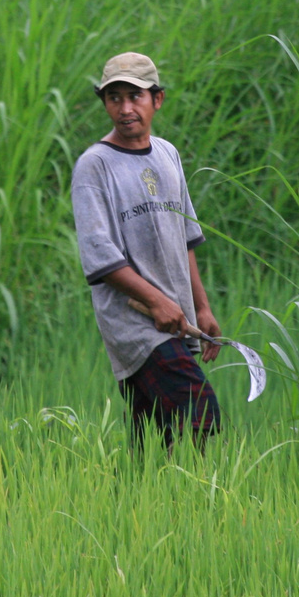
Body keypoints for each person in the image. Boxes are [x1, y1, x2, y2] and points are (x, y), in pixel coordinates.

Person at [70, 52, 222, 450]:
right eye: (114, 98)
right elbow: (99, 255)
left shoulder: (167, 154)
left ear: (157, 99)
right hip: (135, 322)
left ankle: (144, 503)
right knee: (200, 411)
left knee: (153, 437)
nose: (124, 108)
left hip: (176, 318)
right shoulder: (95, 166)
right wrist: (156, 302)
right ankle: (200, 495)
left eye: (134, 96)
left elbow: (184, 236)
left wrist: (201, 307)